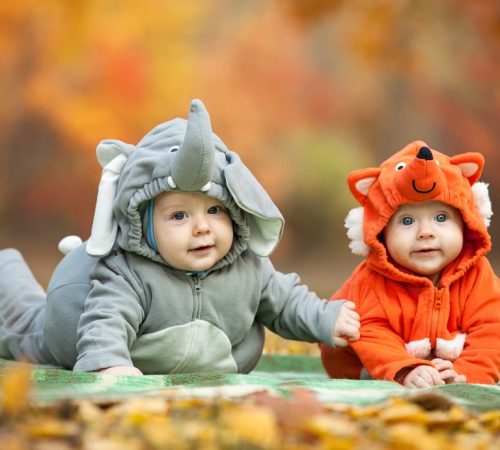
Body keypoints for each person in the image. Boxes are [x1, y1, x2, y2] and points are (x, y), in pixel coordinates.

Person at [0, 99, 360, 375]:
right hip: (69, 334)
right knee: (23, 330)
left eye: (215, 210)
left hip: (203, 361)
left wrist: (326, 319)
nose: (201, 227)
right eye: (179, 215)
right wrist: (107, 364)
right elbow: (105, 318)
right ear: (146, 225)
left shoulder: (250, 268)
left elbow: (287, 303)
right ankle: (6, 271)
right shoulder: (127, 271)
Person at [320, 140, 500, 387]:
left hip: (448, 360)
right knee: (354, 331)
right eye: (407, 221)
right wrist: (405, 369)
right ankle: (384, 376)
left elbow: (492, 328)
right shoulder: (371, 281)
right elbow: (371, 331)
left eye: (440, 217)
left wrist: (468, 372)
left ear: (466, 223)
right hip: (363, 363)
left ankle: (445, 371)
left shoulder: (477, 274)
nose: (425, 232)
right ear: (381, 231)